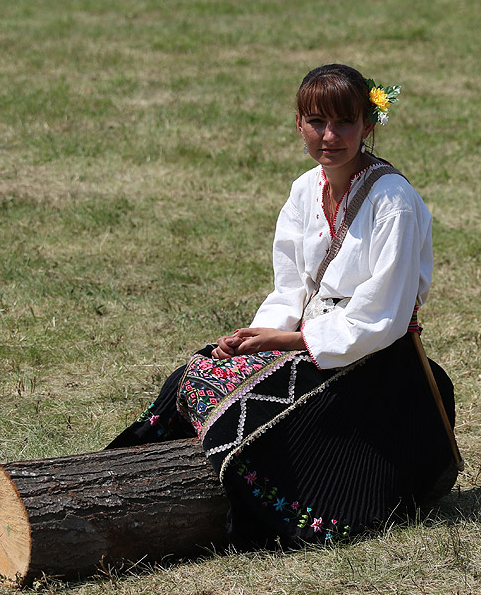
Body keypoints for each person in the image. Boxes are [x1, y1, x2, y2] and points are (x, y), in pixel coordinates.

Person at [109, 64, 459, 546]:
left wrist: (291, 341)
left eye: (345, 123)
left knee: (237, 409)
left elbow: (384, 316)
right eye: (317, 122)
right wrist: (257, 339)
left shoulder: (393, 201)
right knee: (199, 372)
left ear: (369, 126)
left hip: (374, 364)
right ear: (299, 124)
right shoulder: (303, 190)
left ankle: (276, 512)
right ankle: (123, 474)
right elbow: (290, 288)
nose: (329, 136)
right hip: (309, 344)